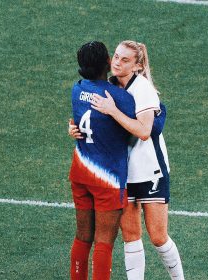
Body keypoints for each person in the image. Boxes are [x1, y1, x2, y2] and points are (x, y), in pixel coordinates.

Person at [70, 40, 184, 280]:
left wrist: (113, 111)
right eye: (117, 57)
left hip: (150, 170)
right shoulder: (111, 86)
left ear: (137, 66)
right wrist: (75, 127)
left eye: (125, 60)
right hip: (123, 172)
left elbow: (144, 131)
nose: (117, 63)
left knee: (158, 236)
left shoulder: (142, 89)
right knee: (130, 235)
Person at [68, 41, 136, 280]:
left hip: (80, 172)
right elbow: (145, 129)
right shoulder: (119, 97)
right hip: (108, 178)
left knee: (82, 236)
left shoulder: (77, 90)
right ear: (108, 62)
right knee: (104, 242)